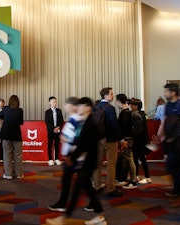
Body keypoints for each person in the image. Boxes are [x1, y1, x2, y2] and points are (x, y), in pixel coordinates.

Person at [46, 97, 106, 225]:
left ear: (88, 108)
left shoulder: (90, 123)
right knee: (88, 189)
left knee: (77, 189)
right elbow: (81, 141)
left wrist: (70, 157)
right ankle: (101, 217)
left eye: (81, 106)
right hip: (85, 162)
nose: (77, 108)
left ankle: (63, 219)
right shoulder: (86, 121)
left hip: (88, 162)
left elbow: (83, 144)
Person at [158, 83, 180, 197]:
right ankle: (179, 190)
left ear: (173, 92)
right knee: (172, 166)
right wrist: (161, 135)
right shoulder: (168, 105)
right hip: (171, 141)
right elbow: (165, 121)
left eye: (166, 91)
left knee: (173, 165)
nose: (165, 93)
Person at [48, 96, 80, 212]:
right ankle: (63, 203)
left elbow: (77, 138)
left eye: (66, 105)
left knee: (74, 182)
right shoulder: (73, 119)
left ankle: (64, 205)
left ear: (72, 106)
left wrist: (65, 140)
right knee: (72, 182)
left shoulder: (76, 120)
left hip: (73, 157)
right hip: (71, 157)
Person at [92, 87, 123, 197]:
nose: (113, 96)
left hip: (97, 138)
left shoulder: (95, 107)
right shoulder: (110, 108)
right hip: (110, 139)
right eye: (111, 94)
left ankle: (97, 186)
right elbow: (114, 124)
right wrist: (121, 139)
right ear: (105, 96)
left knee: (98, 163)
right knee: (111, 163)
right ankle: (111, 188)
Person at [0, 95, 24, 179]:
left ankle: (8, 174)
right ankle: (19, 174)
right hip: (16, 135)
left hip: (6, 135)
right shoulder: (20, 110)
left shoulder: (5, 109)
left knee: (7, 154)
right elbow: (21, 122)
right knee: (18, 155)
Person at [115, 94, 137, 189]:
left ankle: (133, 181)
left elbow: (123, 129)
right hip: (129, 138)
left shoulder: (124, 113)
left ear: (120, 101)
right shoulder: (128, 112)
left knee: (129, 160)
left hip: (127, 139)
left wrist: (122, 140)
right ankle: (132, 179)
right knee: (129, 159)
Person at [130, 99, 152, 184]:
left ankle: (147, 177)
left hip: (140, 141)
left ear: (136, 106)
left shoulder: (138, 115)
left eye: (132, 105)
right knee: (137, 159)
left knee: (141, 159)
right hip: (142, 140)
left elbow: (138, 130)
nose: (131, 106)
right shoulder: (142, 114)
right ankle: (137, 176)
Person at [45, 96, 64, 166]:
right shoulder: (47, 112)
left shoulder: (59, 111)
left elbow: (61, 120)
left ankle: (56, 159)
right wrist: (53, 128)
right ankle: (50, 159)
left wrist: (58, 127)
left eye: (55, 101)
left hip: (58, 130)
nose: (55, 103)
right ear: (50, 102)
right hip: (50, 131)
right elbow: (47, 122)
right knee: (50, 144)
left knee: (57, 144)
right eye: (53, 102)